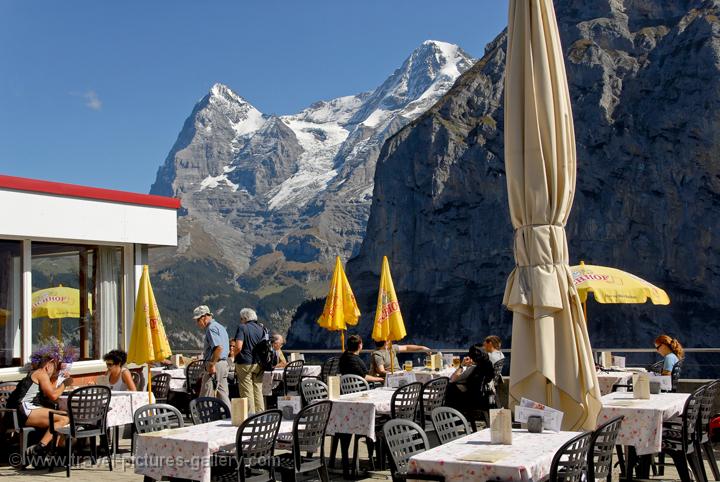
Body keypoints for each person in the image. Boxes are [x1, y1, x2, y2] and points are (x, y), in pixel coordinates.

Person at [5, 345, 72, 457]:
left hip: (27, 409)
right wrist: (65, 383)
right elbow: (54, 396)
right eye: (56, 366)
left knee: (65, 417)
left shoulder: (37, 372)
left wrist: (56, 377)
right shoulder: (41, 374)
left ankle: (50, 451)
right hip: (25, 410)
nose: (56, 369)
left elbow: (48, 392)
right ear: (49, 363)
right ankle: (39, 448)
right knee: (63, 419)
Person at [193, 305, 231, 407]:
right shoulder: (220, 327)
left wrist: (212, 364)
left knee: (206, 396)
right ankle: (229, 417)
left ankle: (204, 419)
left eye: (197, 320)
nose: (197, 323)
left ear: (204, 317)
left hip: (216, 364)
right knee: (222, 395)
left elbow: (218, 347)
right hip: (223, 363)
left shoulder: (211, 328)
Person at [231, 308, 266, 413]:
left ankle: (250, 415)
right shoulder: (261, 328)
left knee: (246, 390)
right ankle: (260, 413)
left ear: (244, 318)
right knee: (257, 389)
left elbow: (238, 347)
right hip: (259, 364)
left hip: (245, 363)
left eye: (241, 318)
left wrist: (233, 356)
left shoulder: (242, 327)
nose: (240, 321)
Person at [446, 343, 496, 412]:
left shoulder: (474, 368)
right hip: (484, 398)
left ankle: (449, 414)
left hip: (473, 400)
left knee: (450, 386)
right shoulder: (488, 364)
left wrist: (462, 365)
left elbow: (452, 379)